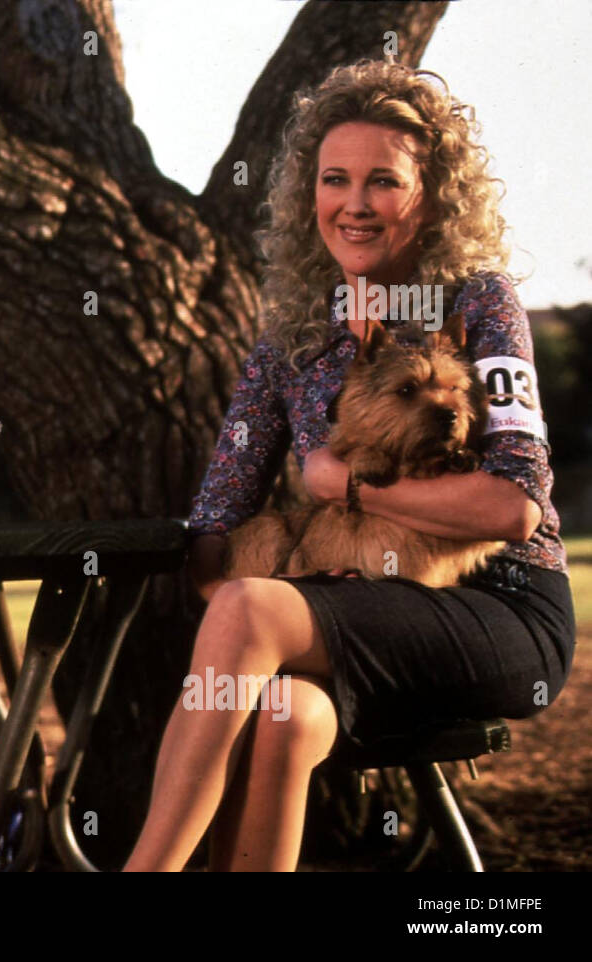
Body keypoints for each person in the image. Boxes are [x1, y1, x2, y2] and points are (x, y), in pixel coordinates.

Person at [122, 60, 576, 872]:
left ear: (432, 196)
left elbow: (515, 510)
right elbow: (214, 528)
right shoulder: (292, 340)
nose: (355, 203)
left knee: (251, 612)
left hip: (496, 611)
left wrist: (351, 486)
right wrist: (276, 592)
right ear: (310, 197)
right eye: (335, 179)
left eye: (384, 182)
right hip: (350, 613)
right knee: (285, 715)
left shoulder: (478, 301)